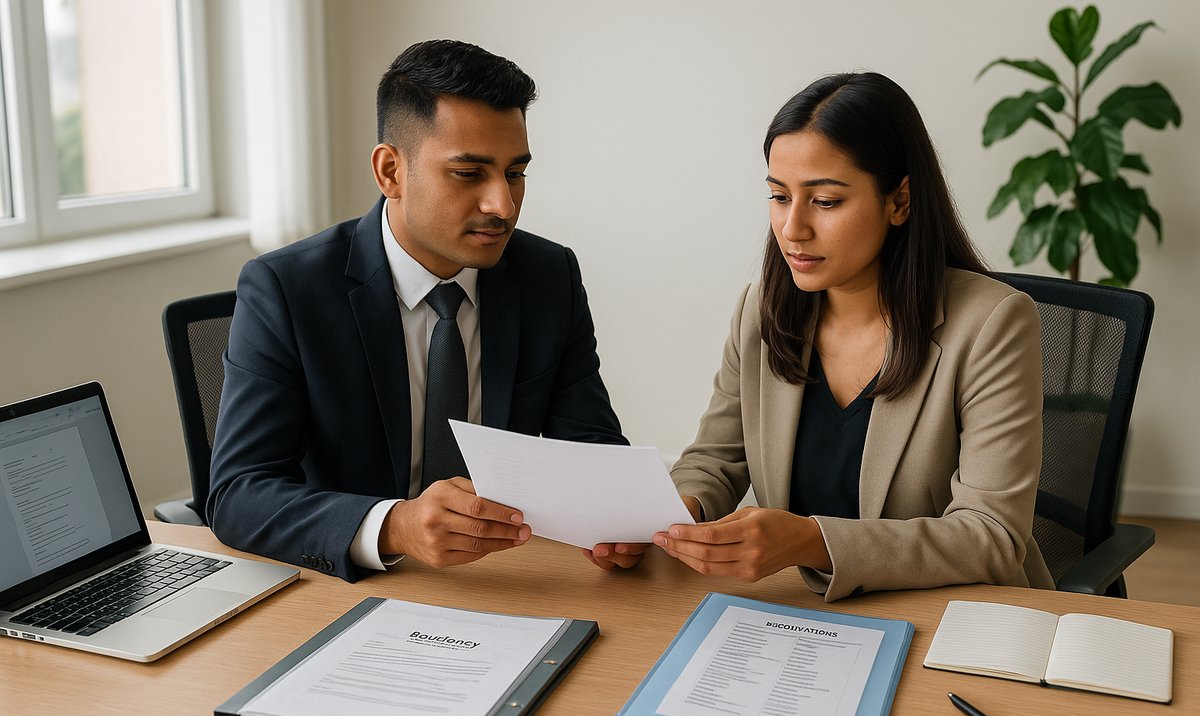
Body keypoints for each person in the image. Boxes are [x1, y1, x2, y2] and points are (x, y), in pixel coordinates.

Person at [208, 40, 644, 580]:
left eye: (515, 173)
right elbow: (238, 493)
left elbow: (589, 443)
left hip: (507, 580)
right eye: (469, 173)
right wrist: (396, 525)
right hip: (348, 589)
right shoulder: (287, 289)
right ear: (391, 171)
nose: (502, 206)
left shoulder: (548, 275)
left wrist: (616, 513)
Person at [660, 72, 1054, 601]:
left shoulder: (992, 324)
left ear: (899, 201)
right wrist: (675, 513)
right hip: (805, 612)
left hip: (953, 615)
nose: (792, 228)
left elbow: (991, 535)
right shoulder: (762, 310)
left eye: (824, 201)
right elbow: (715, 459)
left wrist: (811, 540)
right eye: (779, 197)